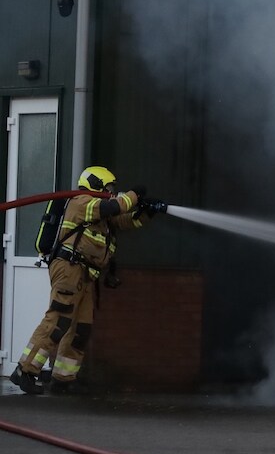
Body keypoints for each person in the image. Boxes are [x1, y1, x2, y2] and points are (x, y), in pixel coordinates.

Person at [8, 166, 165, 395]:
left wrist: (147, 211)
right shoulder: (82, 202)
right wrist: (134, 194)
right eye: (109, 187)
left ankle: (64, 378)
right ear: (97, 184)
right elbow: (115, 205)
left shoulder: (100, 215)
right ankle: (25, 370)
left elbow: (127, 221)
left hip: (87, 275)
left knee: (81, 328)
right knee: (58, 320)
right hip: (69, 269)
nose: (112, 191)